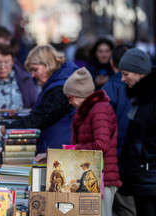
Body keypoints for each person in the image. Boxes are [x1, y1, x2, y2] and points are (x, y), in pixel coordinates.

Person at [0, 44, 78, 161]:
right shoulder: (59, 83)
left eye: (35, 69)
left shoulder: (60, 88)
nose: (32, 75)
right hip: (58, 150)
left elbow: (39, 118)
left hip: (61, 153)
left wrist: (1, 130)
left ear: (48, 65)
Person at [63, 67, 121, 216]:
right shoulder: (89, 110)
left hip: (103, 179)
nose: (70, 102)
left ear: (81, 95)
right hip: (93, 179)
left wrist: (74, 150)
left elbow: (102, 144)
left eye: (70, 97)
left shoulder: (99, 109)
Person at [119, 48, 156, 216]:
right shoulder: (141, 97)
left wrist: (145, 155)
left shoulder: (150, 98)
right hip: (143, 174)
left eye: (126, 74)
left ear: (139, 72)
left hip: (149, 174)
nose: (122, 78)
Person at [100, 44, 136, 216]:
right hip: (136, 161)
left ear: (112, 62)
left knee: (121, 208)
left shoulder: (109, 90)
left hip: (118, 161)